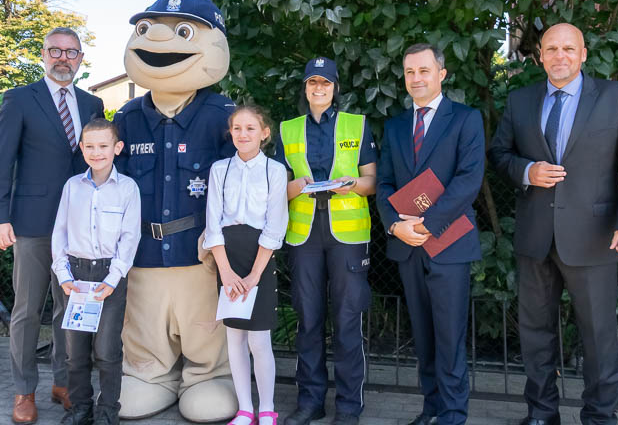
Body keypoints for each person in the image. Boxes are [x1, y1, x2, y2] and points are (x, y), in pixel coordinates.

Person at [488, 23, 618, 425]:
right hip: (535, 237)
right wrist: (527, 170)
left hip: (594, 237)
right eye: (551, 49)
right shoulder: (520, 101)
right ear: (539, 56)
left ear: (583, 54)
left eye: (568, 48)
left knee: (599, 335)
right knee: (535, 333)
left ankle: (600, 416)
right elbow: (499, 154)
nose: (559, 55)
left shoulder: (616, 97)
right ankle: (542, 413)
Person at [113, 0, 238, 421]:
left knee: (205, 327)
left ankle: (209, 375)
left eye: (183, 32)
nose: (160, 42)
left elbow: (246, 187)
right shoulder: (127, 118)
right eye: (148, 30)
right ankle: (149, 373)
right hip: (142, 254)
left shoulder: (225, 117)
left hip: (198, 255)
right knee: (144, 327)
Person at [0, 27, 105, 424]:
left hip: (77, 227)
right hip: (33, 224)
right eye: (55, 50)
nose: (63, 58)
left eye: (71, 52)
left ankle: (63, 382)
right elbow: (1, 162)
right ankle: (23, 391)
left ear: (81, 59)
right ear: (43, 54)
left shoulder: (93, 103)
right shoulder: (20, 99)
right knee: (27, 309)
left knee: (67, 307)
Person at [376, 43, 485, 425]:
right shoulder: (393, 126)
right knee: (423, 335)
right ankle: (432, 407)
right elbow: (385, 183)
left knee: (449, 337)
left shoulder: (466, 119)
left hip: (450, 244)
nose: (416, 79)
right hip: (408, 246)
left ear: (441, 73)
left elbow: (469, 180)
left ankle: (454, 414)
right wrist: (395, 225)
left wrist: (427, 223)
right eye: (409, 72)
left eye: (423, 70)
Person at [275, 57, 377, 425]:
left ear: (336, 88)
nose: (319, 88)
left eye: (326, 83)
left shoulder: (357, 125)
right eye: (312, 82)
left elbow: (371, 181)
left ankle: (349, 407)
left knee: (348, 320)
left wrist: (351, 185)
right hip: (303, 234)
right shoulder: (287, 130)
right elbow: (276, 189)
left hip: (347, 234)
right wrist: (294, 188)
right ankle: (310, 402)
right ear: (304, 87)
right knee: (308, 319)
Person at [51, 118, 141, 425]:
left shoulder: (128, 189)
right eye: (89, 146)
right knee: (75, 352)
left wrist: (113, 279)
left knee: (106, 350)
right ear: (81, 148)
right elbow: (60, 233)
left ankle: (107, 411)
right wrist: (63, 275)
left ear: (117, 148)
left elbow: (130, 238)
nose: (96, 152)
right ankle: (81, 409)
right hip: (75, 277)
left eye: (103, 146)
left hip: (108, 277)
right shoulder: (72, 187)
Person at [202, 106, 288, 425]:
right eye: (237, 128)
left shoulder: (275, 171)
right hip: (228, 258)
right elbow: (212, 223)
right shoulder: (220, 169)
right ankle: (245, 410)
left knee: (258, 339)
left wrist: (254, 274)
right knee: (235, 337)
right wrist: (226, 272)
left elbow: (275, 226)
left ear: (264, 133)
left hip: (259, 261)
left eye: (250, 128)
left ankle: (266, 408)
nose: (243, 134)